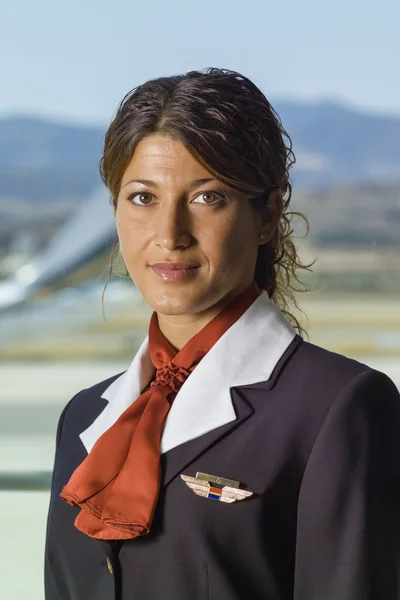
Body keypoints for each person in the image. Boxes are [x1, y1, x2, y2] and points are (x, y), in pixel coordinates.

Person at [44, 68, 400, 600]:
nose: (169, 234)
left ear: (267, 214)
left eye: (207, 197)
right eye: (143, 198)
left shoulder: (339, 409)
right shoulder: (84, 416)